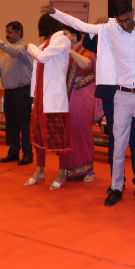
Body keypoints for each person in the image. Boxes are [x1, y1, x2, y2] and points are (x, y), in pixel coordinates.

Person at [43, 0, 135, 213]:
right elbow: (80, 25)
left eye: (127, 20)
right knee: (118, 146)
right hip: (121, 95)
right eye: (120, 21)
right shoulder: (110, 29)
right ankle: (116, 188)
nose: (124, 25)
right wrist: (56, 12)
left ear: (133, 13)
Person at [83, 25, 135, 197]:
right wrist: (94, 28)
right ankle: (117, 182)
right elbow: (88, 43)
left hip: (133, 93)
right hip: (112, 95)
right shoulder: (107, 35)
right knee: (116, 140)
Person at [23, 14, 72, 187]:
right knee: (38, 135)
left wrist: (29, 46)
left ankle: (61, 173)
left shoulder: (62, 40)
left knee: (59, 136)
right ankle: (40, 171)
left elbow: (42, 57)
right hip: (41, 96)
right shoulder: (46, 44)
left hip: (54, 98)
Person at [50, 25, 101, 189]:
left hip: (83, 94)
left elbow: (86, 64)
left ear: (75, 35)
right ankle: (69, 169)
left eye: (65, 34)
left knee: (82, 131)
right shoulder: (61, 51)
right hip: (66, 96)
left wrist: (70, 51)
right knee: (68, 132)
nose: (63, 37)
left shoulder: (86, 49)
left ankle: (88, 169)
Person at [0, 22, 34, 166]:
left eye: (10, 32)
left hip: (22, 93)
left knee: (24, 125)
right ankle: (13, 152)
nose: (7, 35)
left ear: (19, 32)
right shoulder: (9, 52)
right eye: (6, 32)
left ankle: (28, 154)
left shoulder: (24, 48)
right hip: (10, 93)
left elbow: (13, 50)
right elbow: (0, 69)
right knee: (11, 124)